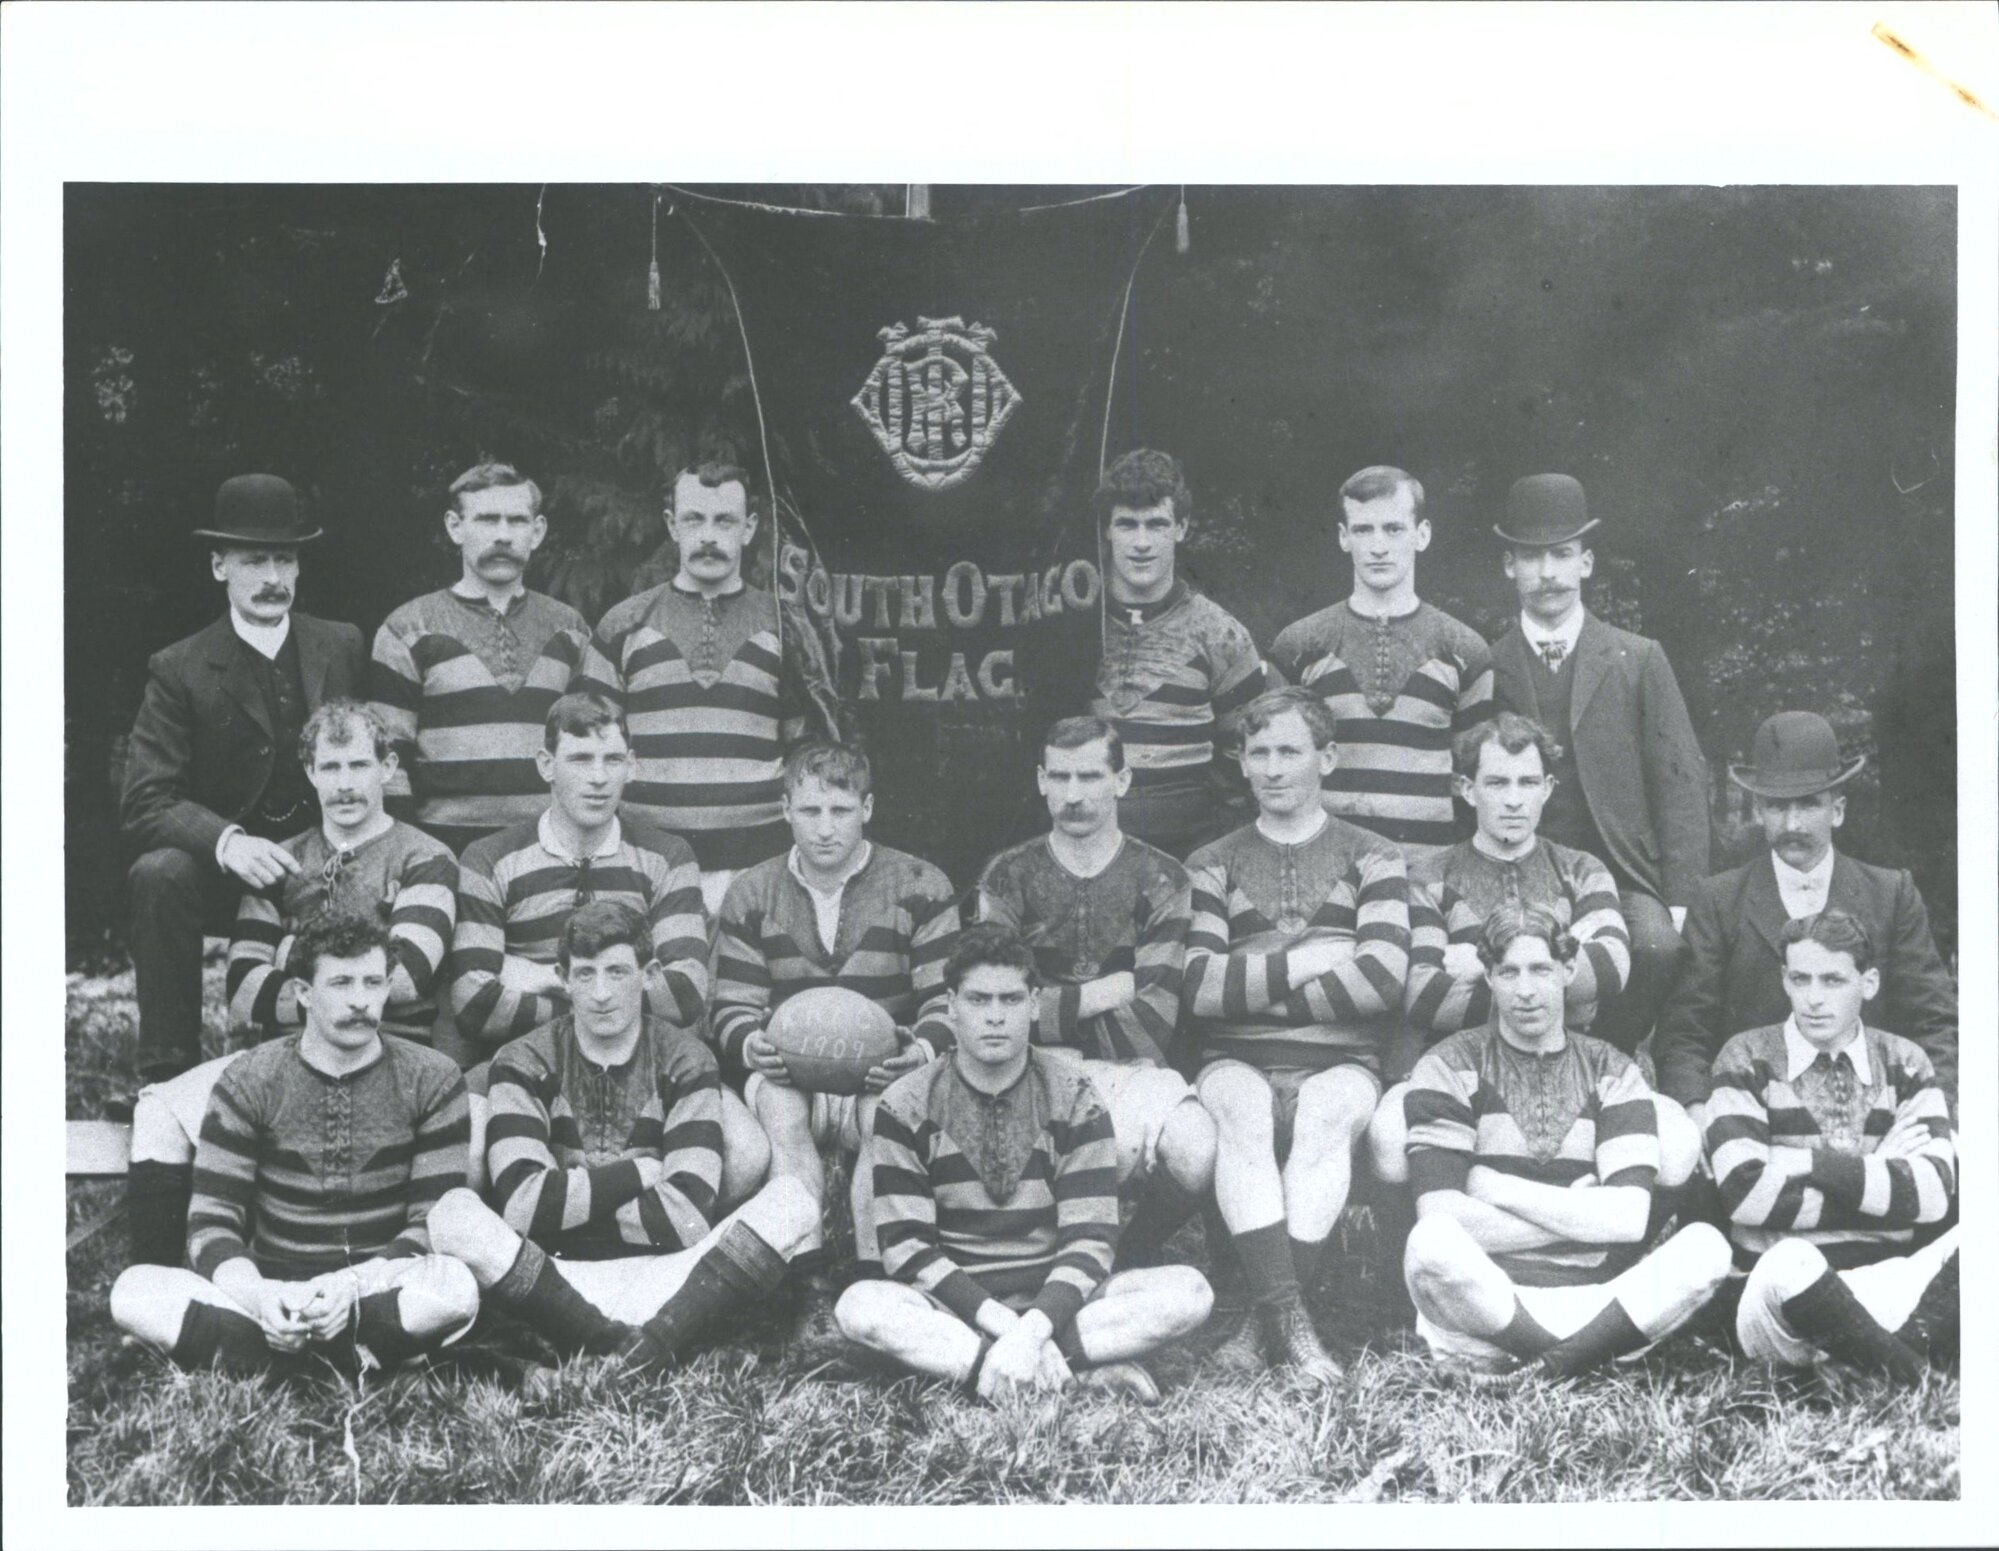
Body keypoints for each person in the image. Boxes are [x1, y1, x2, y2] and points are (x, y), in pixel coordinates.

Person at [124, 700, 459, 1268]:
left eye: (359, 765)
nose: (345, 785)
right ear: (309, 772)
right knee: (156, 1108)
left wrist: (291, 956)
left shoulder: (425, 857)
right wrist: (349, 975)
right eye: (330, 768)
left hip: (392, 1063)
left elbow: (402, 981)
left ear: (389, 766)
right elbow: (244, 992)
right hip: (283, 1067)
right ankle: (158, 1279)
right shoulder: (279, 862)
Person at [425, 902, 819, 1376]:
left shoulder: (687, 1059)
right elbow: (523, 1210)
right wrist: (640, 1173)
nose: (601, 993)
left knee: (793, 1199)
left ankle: (624, 1348)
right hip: (553, 1276)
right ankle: (643, 1349)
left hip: (671, 1277)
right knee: (451, 1213)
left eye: (617, 971)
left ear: (649, 974)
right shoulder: (522, 1060)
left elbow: (686, 1220)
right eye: (585, 974)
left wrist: (567, 1201)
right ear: (563, 977)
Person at [837, 925, 1213, 1405]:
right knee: (860, 1308)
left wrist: (1032, 1331)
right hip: (957, 1309)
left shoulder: (1075, 1096)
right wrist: (1004, 1328)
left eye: (1011, 1000)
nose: (995, 1017)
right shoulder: (906, 1103)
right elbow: (907, 1249)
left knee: (1190, 1292)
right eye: (978, 1000)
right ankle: (1058, 1375)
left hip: (1057, 1303)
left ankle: (994, 1371)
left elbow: (1091, 1240)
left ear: (1035, 1004)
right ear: (950, 1006)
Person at [108, 911, 479, 1374]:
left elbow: (430, 1223)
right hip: (274, 1289)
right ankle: (342, 1357)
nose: (361, 1001)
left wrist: (351, 1288)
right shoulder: (250, 1078)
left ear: (388, 987)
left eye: (373, 982)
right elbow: (211, 1224)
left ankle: (267, 1362)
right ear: (304, 992)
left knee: (457, 1286)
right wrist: (264, 1297)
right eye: (341, 983)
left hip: (374, 1286)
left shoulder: (433, 1078)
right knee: (133, 1289)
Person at [450, 694, 769, 1206]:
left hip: (650, 1059)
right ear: (546, 765)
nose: (598, 778)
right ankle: (519, 1267)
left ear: (632, 765)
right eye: (580, 759)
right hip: (522, 1065)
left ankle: (673, 1255)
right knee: (462, 1154)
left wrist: (541, 978)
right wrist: (615, 993)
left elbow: (686, 993)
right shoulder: (490, 858)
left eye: (612, 759)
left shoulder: (667, 856)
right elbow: (473, 1004)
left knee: (747, 1149)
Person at [1394, 903, 1727, 1384]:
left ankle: (1549, 1366)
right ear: (1488, 976)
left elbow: (1630, 1218)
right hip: (1486, 1302)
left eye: (1541, 970)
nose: (1525, 990)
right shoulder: (1449, 1063)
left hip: (1595, 1298)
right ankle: (1586, 1359)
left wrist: (1495, 1187)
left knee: (1706, 1248)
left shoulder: (1611, 1069)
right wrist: (1582, 1215)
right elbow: (1442, 1213)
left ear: (1569, 970)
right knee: (1430, 1244)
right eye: (1508, 972)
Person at [1184, 687, 1410, 1384]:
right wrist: (1311, 959)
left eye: (1290, 750)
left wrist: (1252, 980)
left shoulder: (1374, 856)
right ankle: (1291, 1321)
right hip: (1235, 1060)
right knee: (1242, 1113)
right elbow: (1197, 986)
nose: (1274, 767)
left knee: (1326, 1113)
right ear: (1242, 764)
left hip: (1342, 1060)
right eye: (1258, 752)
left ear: (1327, 757)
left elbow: (1382, 978)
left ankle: (1265, 1323)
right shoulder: (1210, 860)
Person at [710, 741, 962, 1361]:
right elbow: (732, 1007)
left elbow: (945, 1001)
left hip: (884, 1070)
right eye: (811, 809)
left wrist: (919, 1051)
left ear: (868, 809)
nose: (825, 827)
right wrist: (753, 1045)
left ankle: (875, 1281)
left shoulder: (920, 883)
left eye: (841, 810)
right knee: (782, 1114)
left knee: (886, 1117)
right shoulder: (753, 891)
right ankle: (812, 1289)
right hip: (791, 1073)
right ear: (785, 809)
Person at [119, 474, 366, 1098]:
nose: (273, 577)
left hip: (326, 858)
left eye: (285, 558)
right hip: (226, 872)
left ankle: (353, 1064)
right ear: (218, 566)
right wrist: (228, 842)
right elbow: (146, 799)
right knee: (158, 872)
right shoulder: (179, 667)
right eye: (254, 559)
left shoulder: (340, 645)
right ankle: (167, 1075)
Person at [977, 716, 1216, 1264]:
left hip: (1128, 1072)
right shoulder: (1007, 877)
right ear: (1040, 781)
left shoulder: (1163, 878)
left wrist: (1041, 1002)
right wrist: (1103, 991)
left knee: (1196, 1146)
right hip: (1023, 1070)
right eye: (1059, 778)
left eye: (1090, 777)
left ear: (1123, 781)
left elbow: (1151, 1022)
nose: (1074, 795)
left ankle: (1127, 1258)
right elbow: (992, 1008)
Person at [1487, 473, 1709, 1050]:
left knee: (1658, 947)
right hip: (1514, 868)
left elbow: (1679, 782)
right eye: (1531, 558)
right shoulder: (1486, 665)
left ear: (1586, 563)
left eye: (1562, 555)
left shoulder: (1637, 659)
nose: (1549, 573)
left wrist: (1681, 897)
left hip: (1619, 869)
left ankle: (1605, 1057)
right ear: (1509, 567)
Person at [1655, 711, 1958, 1119]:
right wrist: (1697, 1110)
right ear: (1760, 811)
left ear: (1838, 810)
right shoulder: (1719, 900)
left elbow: (1933, 1021)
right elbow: (1685, 1031)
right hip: (1752, 1114)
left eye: (1809, 805)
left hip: (1876, 1115)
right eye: (1778, 807)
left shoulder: (1891, 894)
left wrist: (1932, 1109)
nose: (1792, 823)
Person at [580, 460, 845, 916]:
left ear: (750, 528)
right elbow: (589, 751)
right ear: (671, 526)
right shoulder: (625, 623)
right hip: (644, 865)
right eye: (693, 519)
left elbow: (811, 755)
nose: (708, 534)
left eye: (724, 520)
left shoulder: (787, 627)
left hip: (758, 866)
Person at [1704, 911, 1957, 1380]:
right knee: (1792, 1260)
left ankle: (1866, 1360)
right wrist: (1880, 1176)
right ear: (1784, 979)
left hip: (1883, 1282)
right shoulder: (1745, 1058)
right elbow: (1745, 1194)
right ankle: (1910, 1374)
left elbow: (1934, 1195)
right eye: (1801, 979)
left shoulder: (1904, 1062)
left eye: (1833, 980)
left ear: (1869, 982)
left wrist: (1803, 1162)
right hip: (1778, 1303)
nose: (1814, 999)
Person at [368, 461, 592, 855]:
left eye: (516, 521)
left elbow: (588, 752)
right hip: (441, 851)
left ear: (537, 532)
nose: (503, 535)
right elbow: (388, 762)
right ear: (455, 527)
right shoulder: (407, 628)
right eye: (488, 520)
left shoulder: (570, 629)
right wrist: (406, 856)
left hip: (550, 853)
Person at [1270, 465, 1491, 862]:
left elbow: (1478, 780)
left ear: (1421, 535)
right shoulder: (1299, 646)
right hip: (1327, 875)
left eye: (1393, 529)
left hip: (1429, 877)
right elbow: (1275, 768)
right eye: (1363, 530)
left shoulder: (1464, 650)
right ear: (1343, 538)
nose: (1378, 546)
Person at [1403, 714, 1631, 1045]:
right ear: (1468, 790)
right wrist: (1559, 969)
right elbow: (1425, 998)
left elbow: (1611, 969)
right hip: (1464, 1064)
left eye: (1528, 783)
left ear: (1547, 789)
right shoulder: (1429, 878)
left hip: (1566, 1059)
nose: (1514, 800)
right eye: (1497, 783)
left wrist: (1483, 964)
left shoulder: (1583, 871)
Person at [1087, 448, 1271, 859]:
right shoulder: (1074, 625)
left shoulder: (1221, 634)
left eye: (1156, 524)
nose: (1141, 543)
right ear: (1107, 530)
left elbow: (1245, 755)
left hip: (1189, 852)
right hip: (1086, 849)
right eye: (1126, 524)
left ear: (1181, 528)